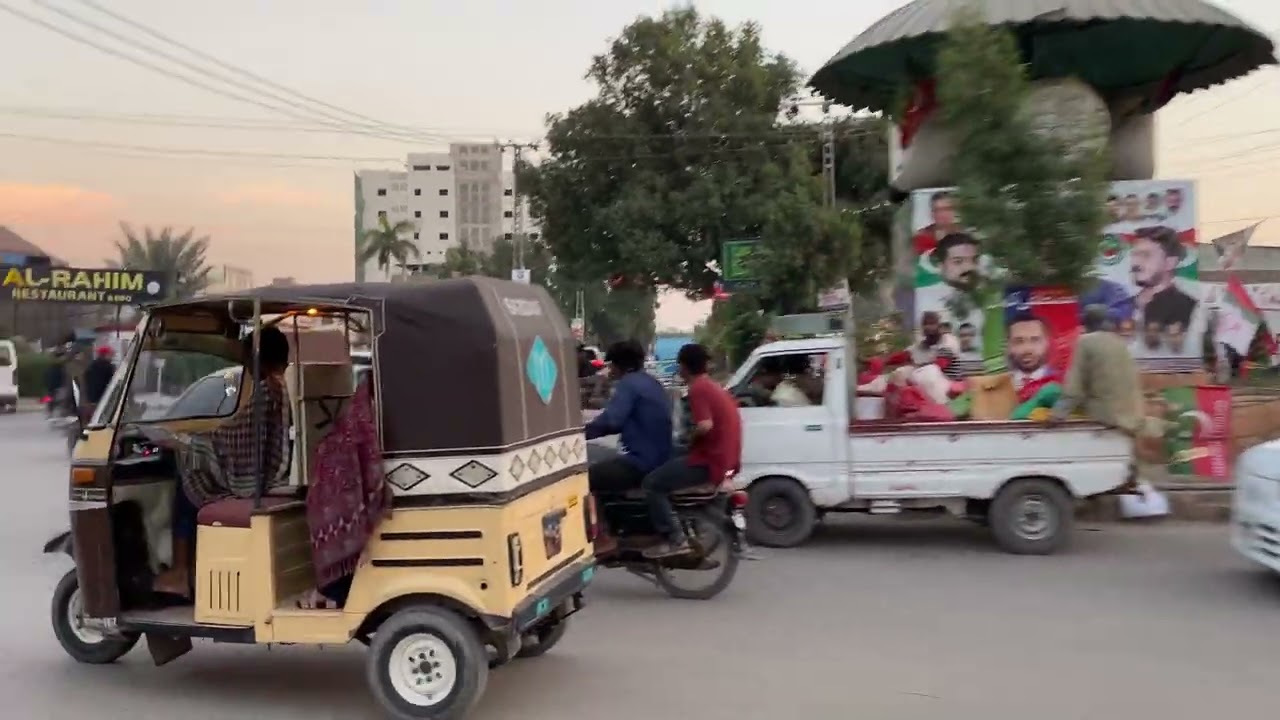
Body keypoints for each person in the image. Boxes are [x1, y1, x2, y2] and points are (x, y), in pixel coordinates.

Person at [149, 326, 292, 597]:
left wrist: (186, 442)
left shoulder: (265, 389)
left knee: (189, 478)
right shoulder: (285, 385)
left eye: (248, 357)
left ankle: (181, 571)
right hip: (273, 470)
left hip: (257, 478)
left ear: (257, 357)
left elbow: (232, 437)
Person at [641, 343, 740, 559]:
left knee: (651, 483)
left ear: (683, 367)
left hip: (709, 461)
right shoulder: (715, 387)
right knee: (668, 454)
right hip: (723, 459)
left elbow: (705, 425)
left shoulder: (698, 389)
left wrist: (691, 437)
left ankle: (674, 538)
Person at [1046, 305, 1156, 489]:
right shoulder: (1120, 342)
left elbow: (1074, 387)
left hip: (1106, 414)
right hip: (1132, 414)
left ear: (1086, 323)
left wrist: (1057, 415)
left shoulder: (1085, 341)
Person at [585, 340, 673, 499]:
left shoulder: (628, 384)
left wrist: (580, 434)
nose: (609, 369)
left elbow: (612, 421)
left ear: (620, 365)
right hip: (660, 459)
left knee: (585, 477)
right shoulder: (652, 383)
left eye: (611, 364)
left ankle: (597, 522)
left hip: (640, 462)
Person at [1131, 226, 1197, 334]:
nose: (1136, 263)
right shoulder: (1124, 304)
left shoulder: (1188, 309)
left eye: (1146, 255)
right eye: (1134, 255)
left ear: (1170, 262)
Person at [1005, 313, 1057, 402]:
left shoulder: (1062, 383)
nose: (1027, 349)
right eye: (1019, 341)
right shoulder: (999, 386)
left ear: (1047, 343)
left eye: (1035, 340)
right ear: (1009, 345)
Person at [81, 346, 116, 418]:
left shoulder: (91, 366)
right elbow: (112, 382)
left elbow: (85, 379)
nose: (112, 356)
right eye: (110, 354)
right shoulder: (108, 367)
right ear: (105, 355)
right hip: (104, 398)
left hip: (92, 399)